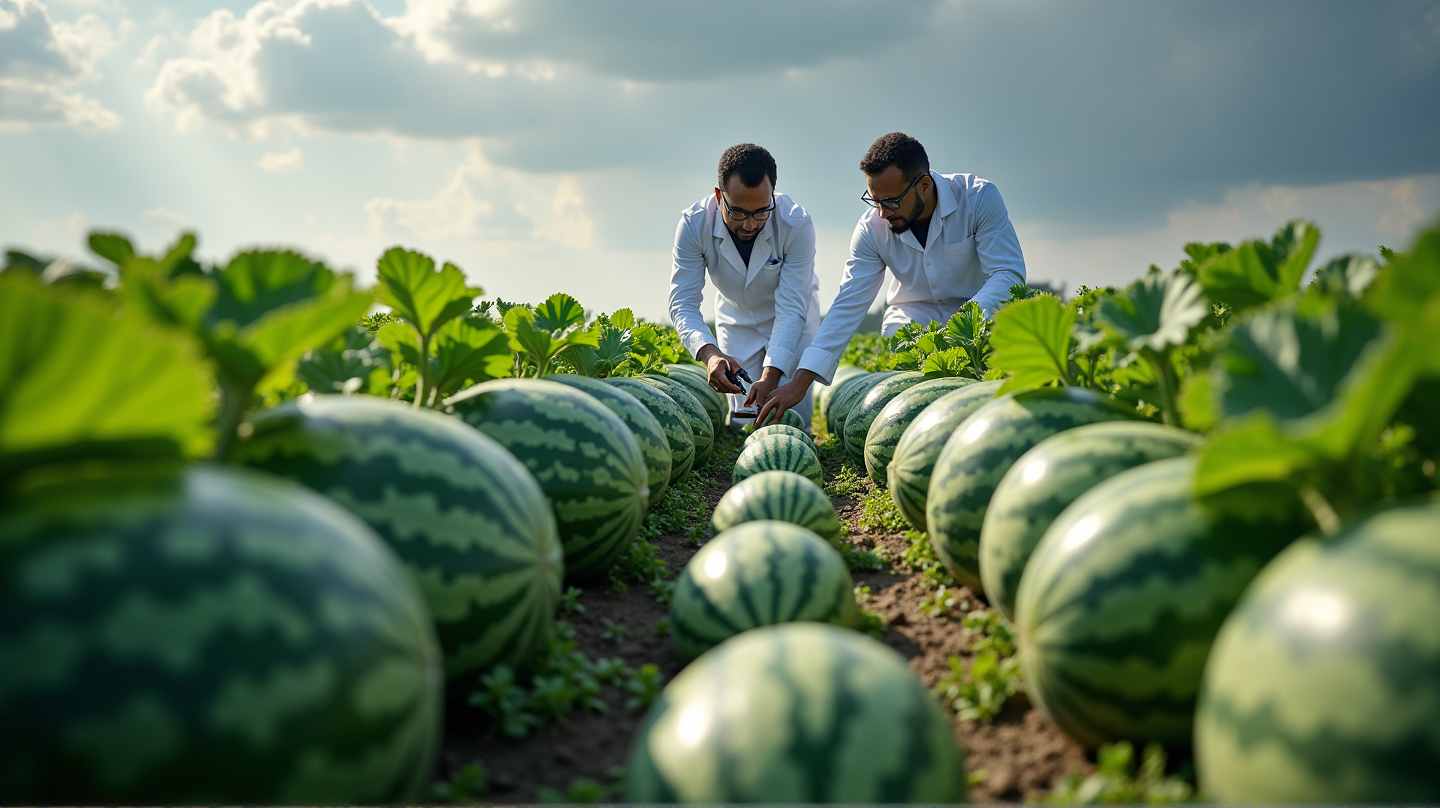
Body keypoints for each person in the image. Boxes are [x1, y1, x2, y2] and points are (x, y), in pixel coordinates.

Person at [756, 132, 1026, 424]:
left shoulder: (979, 198)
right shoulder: (871, 229)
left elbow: (1007, 274)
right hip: (911, 317)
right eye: (875, 201)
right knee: (916, 404)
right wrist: (799, 382)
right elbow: (848, 304)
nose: (883, 213)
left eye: (892, 202)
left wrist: (963, 322)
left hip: (977, 315)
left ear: (924, 184)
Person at [669, 143, 822, 430]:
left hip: (793, 323)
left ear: (772, 197)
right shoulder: (693, 225)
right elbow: (682, 303)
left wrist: (770, 377)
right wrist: (710, 354)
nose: (750, 224)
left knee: (793, 422)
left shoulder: (797, 225)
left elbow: (791, 309)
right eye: (738, 212)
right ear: (718, 197)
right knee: (745, 424)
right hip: (736, 318)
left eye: (761, 212)